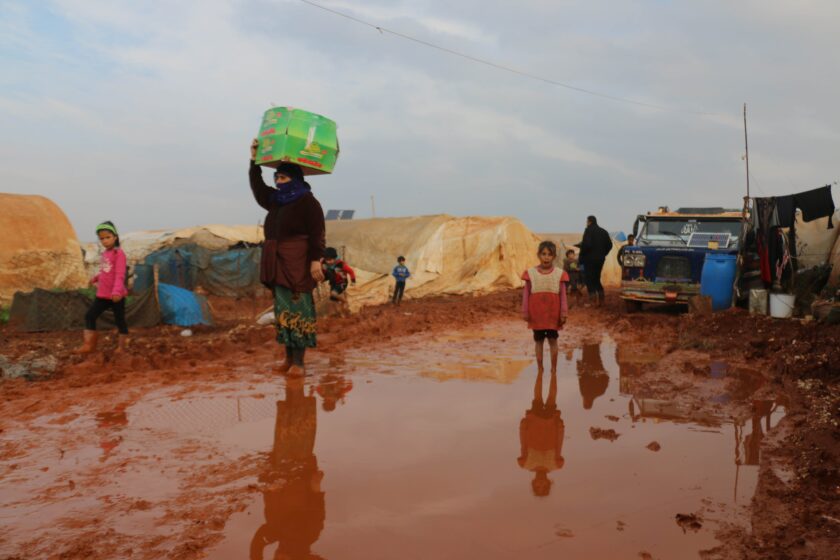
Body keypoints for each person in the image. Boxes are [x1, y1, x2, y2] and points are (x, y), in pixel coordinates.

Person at [250, 139, 326, 376]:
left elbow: (317, 234)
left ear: (295, 179)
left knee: (299, 309)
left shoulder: (308, 202)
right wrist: (254, 160)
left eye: (283, 178)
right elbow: (257, 187)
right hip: (278, 262)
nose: (278, 182)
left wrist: (316, 260)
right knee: (283, 311)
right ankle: (287, 359)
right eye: (277, 179)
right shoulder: (275, 201)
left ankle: (299, 363)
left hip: (299, 262)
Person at [75, 221, 128, 354]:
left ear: (115, 237)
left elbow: (119, 274)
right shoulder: (105, 254)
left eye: (107, 237)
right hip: (103, 294)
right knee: (90, 315)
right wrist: (95, 278)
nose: (104, 240)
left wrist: (116, 291)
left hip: (116, 295)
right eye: (102, 238)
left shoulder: (118, 254)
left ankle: (121, 347)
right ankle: (89, 345)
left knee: (119, 320)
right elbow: (106, 271)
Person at [521, 241, 569, 374]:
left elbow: (563, 296)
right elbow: (526, 294)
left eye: (550, 254)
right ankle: (540, 368)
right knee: (539, 341)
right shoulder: (530, 273)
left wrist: (564, 313)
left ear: (554, 257)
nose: (546, 257)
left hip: (553, 315)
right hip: (537, 315)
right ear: (538, 255)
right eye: (544, 254)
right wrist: (525, 312)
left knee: (553, 340)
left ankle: (554, 369)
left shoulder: (559, 274)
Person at [517, 368, 565, 497]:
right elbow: (559, 445)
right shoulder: (556, 465)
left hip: (534, 425)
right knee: (552, 397)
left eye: (538, 486)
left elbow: (523, 445)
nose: (541, 483)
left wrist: (522, 428)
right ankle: (554, 373)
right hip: (551, 427)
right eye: (544, 486)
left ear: (533, 483)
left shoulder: (525, 464)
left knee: (537, 397)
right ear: (549, 483)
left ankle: (539, 372)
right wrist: (560, 428)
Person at [577, 215, 613, 306]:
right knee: (596, 279)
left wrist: (581, 256)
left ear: (589, 222)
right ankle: (601, 301)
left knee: (589, 279)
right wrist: (603, 254)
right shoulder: (603, 231)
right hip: (600, 259)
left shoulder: (588, 230)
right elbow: (610, 245)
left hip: (589, 260)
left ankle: (592, 302)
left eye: (587, 222)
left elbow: (587, 245)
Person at [321, 247, 356, 317]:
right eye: (327, 260)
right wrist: (323, 277)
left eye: (330, 260)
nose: (328, 262)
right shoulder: (324, 263)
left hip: (342, 282)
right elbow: (323, 271)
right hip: (333, 283)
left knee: (333, 293)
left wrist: (353, 281)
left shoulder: (341, 264)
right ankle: (341, 314)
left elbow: (351, 271)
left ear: (335, 258)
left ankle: (345, 301)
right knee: (333, 301)